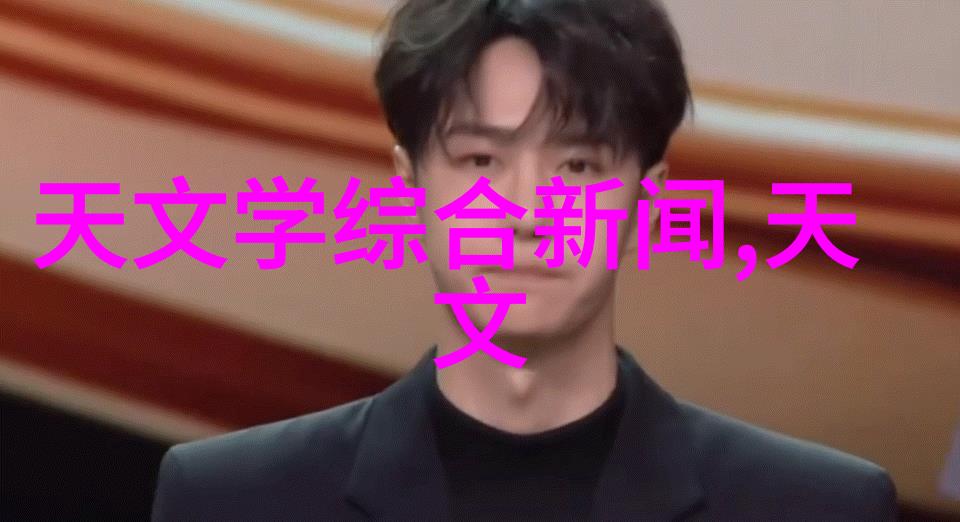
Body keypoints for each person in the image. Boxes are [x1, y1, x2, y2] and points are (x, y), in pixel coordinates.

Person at [151, 1, 897, 519]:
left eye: (577, 166)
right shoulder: (231, 500)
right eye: (480, 160)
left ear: (647, 200)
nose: (527, 212)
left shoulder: (815, 507)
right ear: (410, 185)